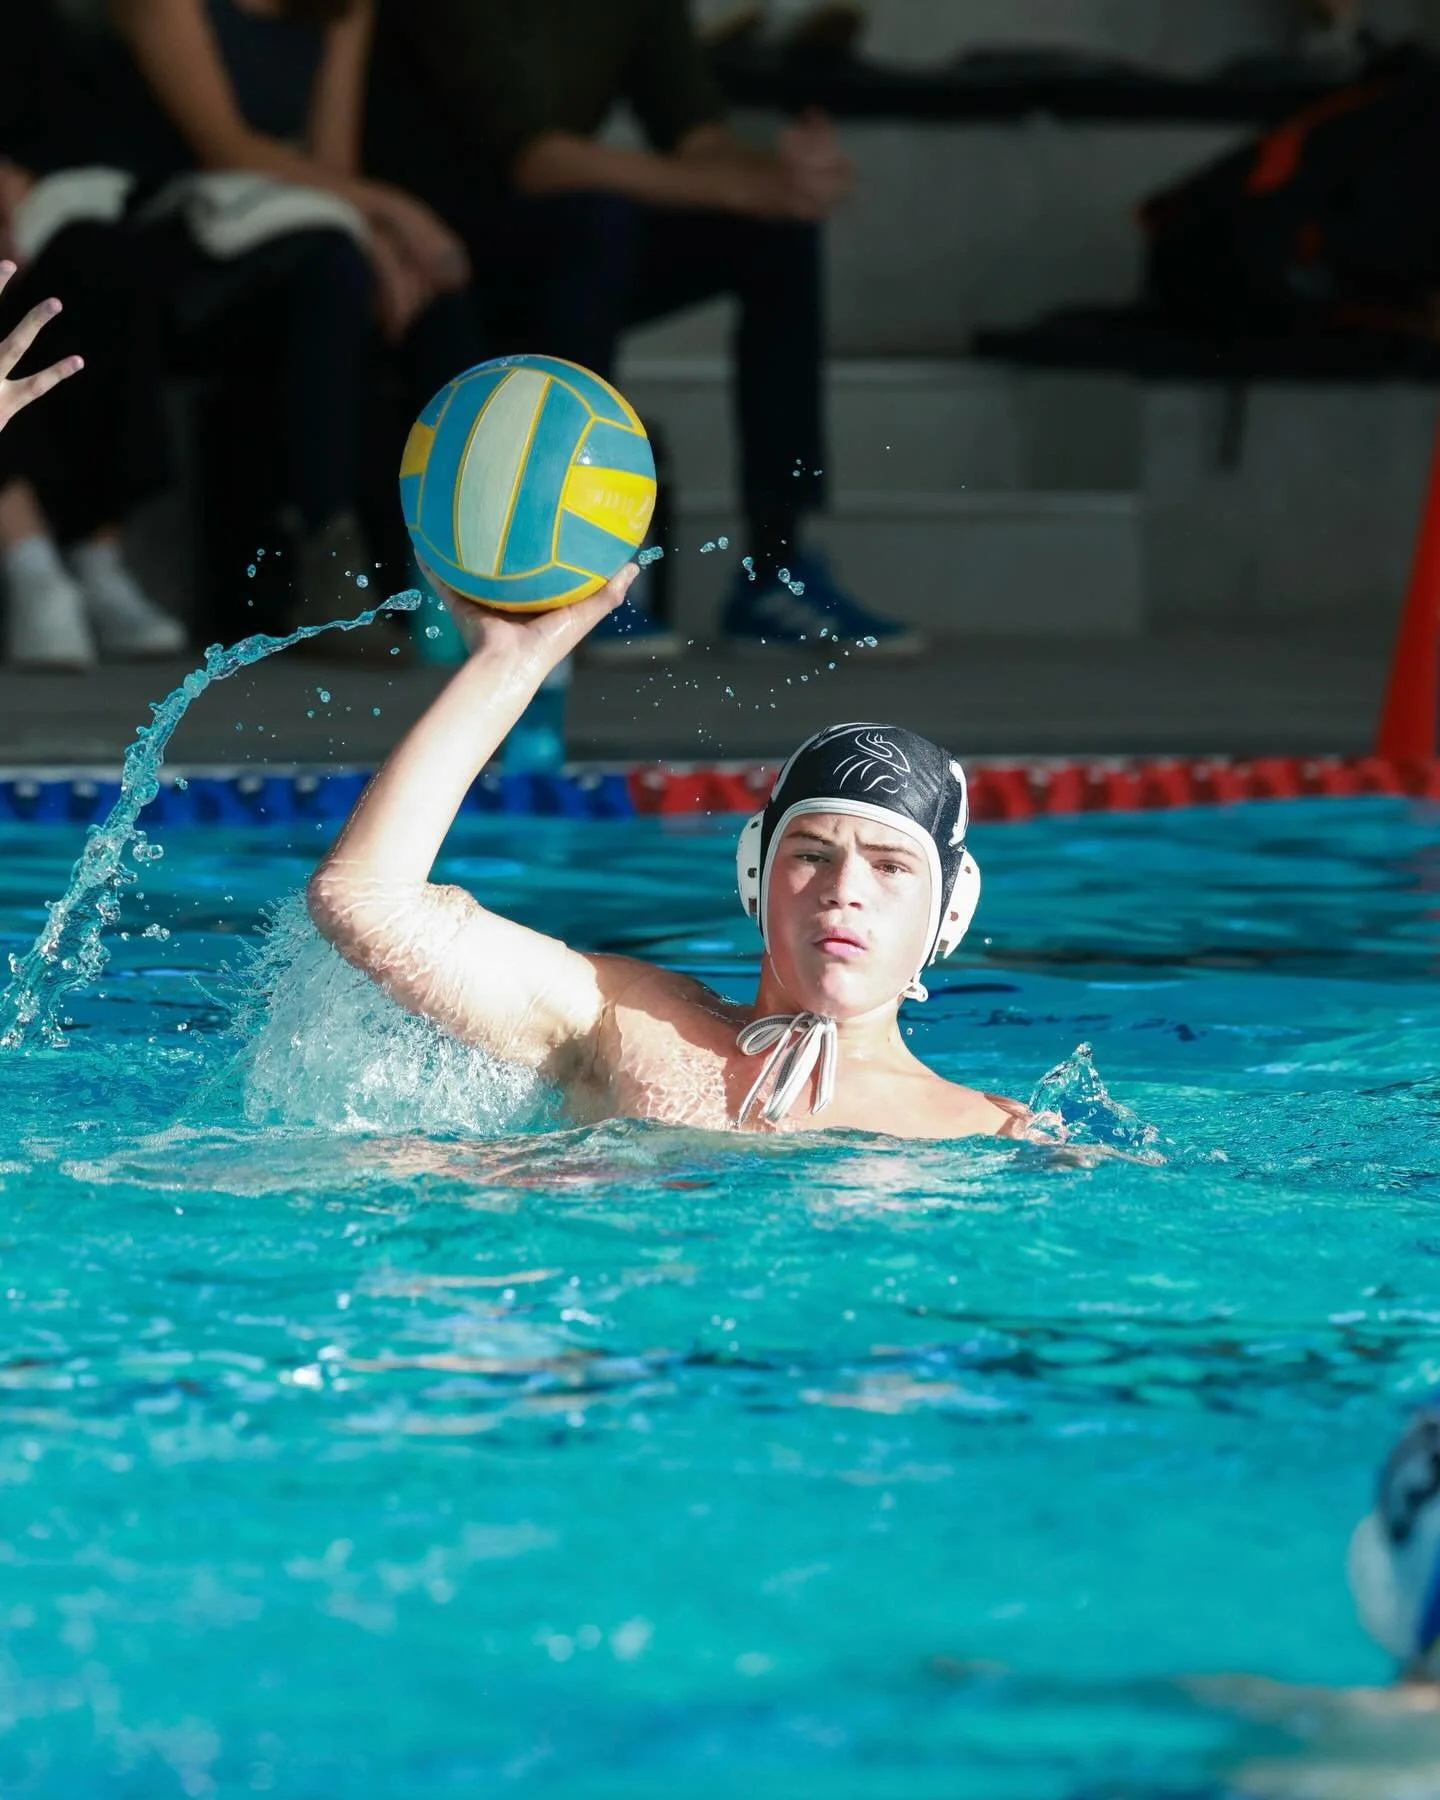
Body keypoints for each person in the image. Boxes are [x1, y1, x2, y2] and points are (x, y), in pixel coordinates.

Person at [307, 566, 1023, 1138]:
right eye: (811, 854)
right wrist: (509, 664)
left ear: (950, 910)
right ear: (755, 874)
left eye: (891, 865)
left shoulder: (997, 1134)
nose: (844, 890)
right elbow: (365, 902)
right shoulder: (625, 1019)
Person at [365, 0, 920, 662]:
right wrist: (741, 189)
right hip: (438, 245)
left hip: (577, 237)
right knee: (601, 221)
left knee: (779, 232)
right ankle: (570, 572)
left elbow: (694, 136)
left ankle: (776, 568)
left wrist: (785, 178)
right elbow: (538, 160)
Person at [106, 0, 481, 637]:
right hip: (173, 235)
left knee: (426, 290)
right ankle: (325, 557)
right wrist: (393, 214)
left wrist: (379, 238)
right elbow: (224, 146)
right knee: (339, 272)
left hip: (303, 229)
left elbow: (331, 163)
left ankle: (459, 556)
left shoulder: (341, 8)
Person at [0, 4, 184, 668]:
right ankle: (29, 563)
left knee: (107, 267)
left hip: (29, 209)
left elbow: (60, 109)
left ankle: (97, 555)